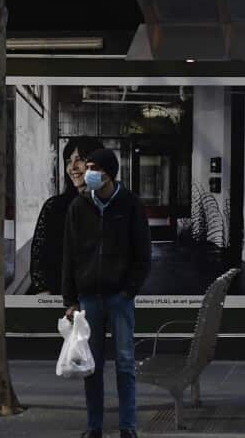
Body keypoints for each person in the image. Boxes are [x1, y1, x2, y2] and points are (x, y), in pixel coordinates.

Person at [62, 147, 151, 438]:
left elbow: (143, 254)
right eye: (87, 166)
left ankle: (128, 427)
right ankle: (94, 427)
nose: (87, 172)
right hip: (88, 298)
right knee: (92, 366)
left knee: (125, 363)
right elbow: (69, 256)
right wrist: (70, 301)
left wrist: (130, 289)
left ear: (108, 173)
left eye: (92, 167)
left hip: (119, 298)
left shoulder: (130, 205)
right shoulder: (79, 207)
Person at [30, 137, 104, 295]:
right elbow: (39, 259)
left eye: (80, 160)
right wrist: (44, 293)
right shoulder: (54, 207)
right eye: (69, 161)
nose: (72, 167)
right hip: (61, 298)